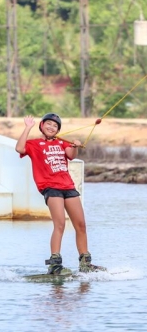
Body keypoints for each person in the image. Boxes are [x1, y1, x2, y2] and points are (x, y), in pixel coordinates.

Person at [15, 113, 106, 275]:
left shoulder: (62, 142)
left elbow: (71, 155)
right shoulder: (35, 144)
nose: (51, 127)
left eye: (55, 126)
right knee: (60, 224)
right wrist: (27, 127)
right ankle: (55, 264)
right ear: (42, 126)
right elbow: (19, 148)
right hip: (50, 187)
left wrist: (75, 145)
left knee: (81, 225)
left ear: (58, 130)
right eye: (48, 124)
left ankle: (85, 263)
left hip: (68, 186)